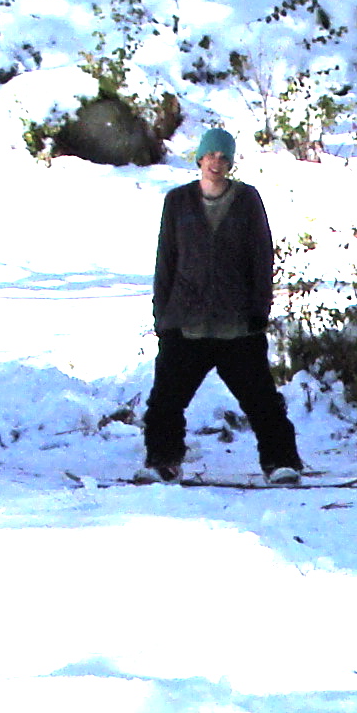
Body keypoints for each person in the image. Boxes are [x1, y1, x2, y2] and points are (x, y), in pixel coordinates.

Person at [138, 127, 304, 485]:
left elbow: (262, 257)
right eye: (211, 155)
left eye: (224, 157)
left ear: (231, 163)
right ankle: (163, 460)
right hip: (186, 322)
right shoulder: (178, 202)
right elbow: (166, 260)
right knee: (165, 401)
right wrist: (162, 315)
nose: (217, 163)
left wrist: (260, 307)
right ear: (200, 158)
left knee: (262, 401)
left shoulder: (247, 200)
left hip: (237, 324)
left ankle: (280, 463)